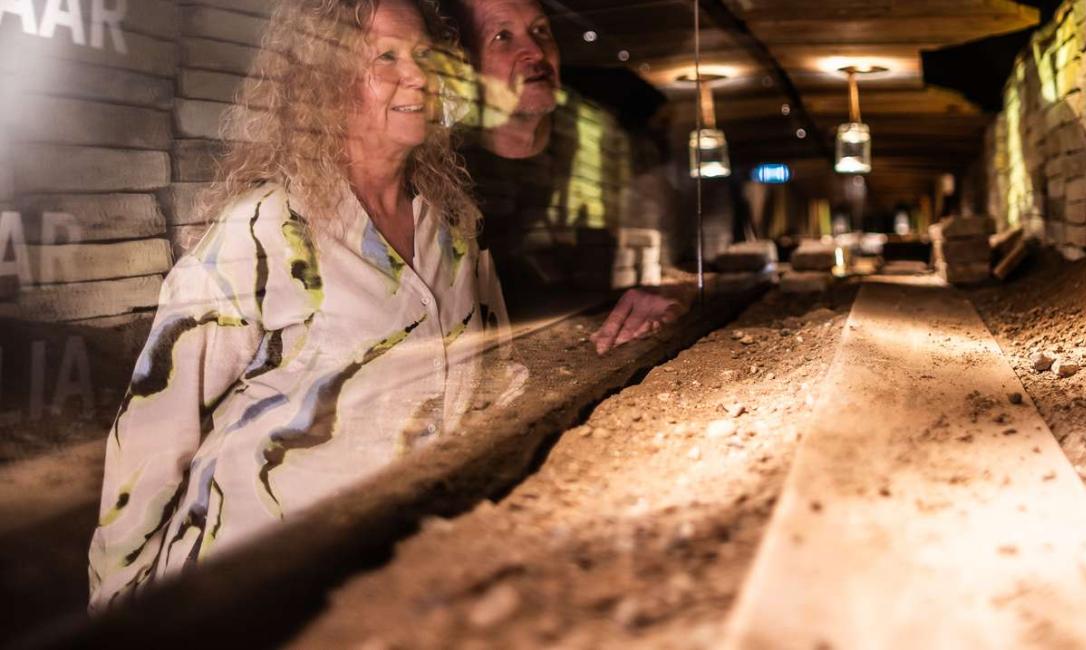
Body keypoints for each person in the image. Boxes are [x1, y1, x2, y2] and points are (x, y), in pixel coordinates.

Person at [86, 0, 522, 610]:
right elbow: (155, 430)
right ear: (323, 79)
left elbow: (496, 375)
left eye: (424, 55)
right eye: (386, 58)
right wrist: (116, 606)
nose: (419, 76)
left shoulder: (452, 231)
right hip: (249, 591)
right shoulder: (262, 232)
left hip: (397, 583)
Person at [446, 0, 688, 355]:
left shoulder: (606, 142)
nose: (534, 50)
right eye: (502, 36)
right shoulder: (439, 166)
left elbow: (669, 261)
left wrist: (668, 292)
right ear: (463, 65)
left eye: (541, 30)